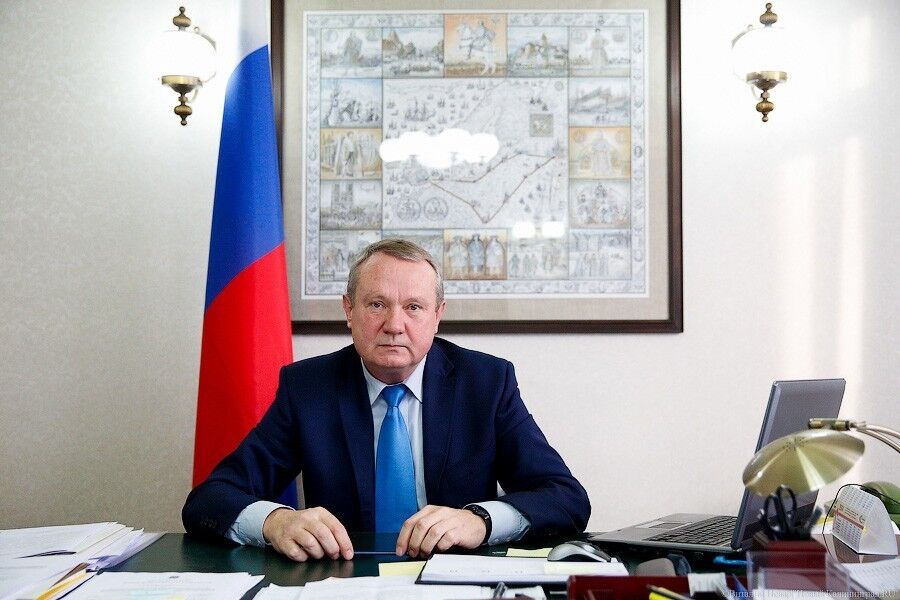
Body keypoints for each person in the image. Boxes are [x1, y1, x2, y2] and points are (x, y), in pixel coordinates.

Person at [182, 239, 590, 562]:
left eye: (414, 307)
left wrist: (480, 521)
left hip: (455, 580)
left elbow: (565, 497)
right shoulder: (308, 388)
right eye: (377, 304)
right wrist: (274, 521)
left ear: (437, 315)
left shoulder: (485, 383)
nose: (394, 325)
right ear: (349, 309)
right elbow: (211, 498)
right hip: (344, 580)